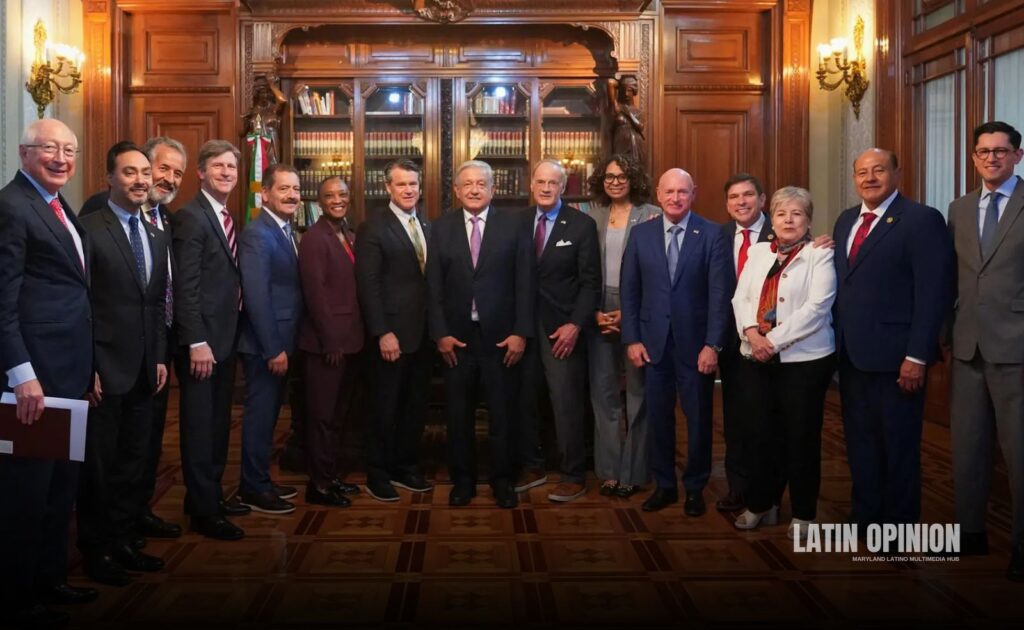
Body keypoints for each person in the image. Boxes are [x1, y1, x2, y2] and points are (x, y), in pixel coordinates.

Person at [0, 119, 97, 627]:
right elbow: (3, 299)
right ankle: (17, 595)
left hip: (70, 372)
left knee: (61, 487)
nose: (61, 158)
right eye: (50, 149)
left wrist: (91, 368)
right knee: (25, 493)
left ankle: (51, 578)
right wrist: (21, 374)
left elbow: (75, 292)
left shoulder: (60, 208)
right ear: (24, 152)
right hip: (34, 381)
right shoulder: (12, 207)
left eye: (69, 150)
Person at [832, 148, 952, 529]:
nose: (869, 178)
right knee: (861, 443)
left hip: (897, 359)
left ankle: (899, 524)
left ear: (896, 173)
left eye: (878, 170)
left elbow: (933, 293)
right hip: (851, 356)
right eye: (862, 172)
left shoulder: (921, 220)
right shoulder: (845, 221)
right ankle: (866, 516)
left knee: (898, 446)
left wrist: (917, 355)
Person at [77, 141, 171, 585]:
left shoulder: (155, 231)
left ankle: (123, 541)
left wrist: (158, 357)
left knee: (134, 462)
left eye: (145, 173)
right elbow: (83, 303)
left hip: (144, 369)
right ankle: (97, 552)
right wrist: (89, 364)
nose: (140, 181)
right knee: (100, 467)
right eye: (129, 173)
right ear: (110, 178)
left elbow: (153, 304)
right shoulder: (90, 229)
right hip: (103, 370)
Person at [620, 168, 732, 517]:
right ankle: (665, 485)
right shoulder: (640, 235)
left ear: (693, 193)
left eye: (682, 191)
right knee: (657, 418)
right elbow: (630, 291)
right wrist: (632, 339)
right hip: (653, 345)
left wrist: (713, 344)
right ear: (658, 193)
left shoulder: (712, 234)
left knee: (698, 419)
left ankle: (695, 487)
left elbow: (719, 294)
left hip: (696, 346)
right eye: (669, 191)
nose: (675, 198)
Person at [730, 187, 836, 539]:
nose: (788, 220)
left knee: (801, 437)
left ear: (808, 220)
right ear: (771, 219)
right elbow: (741, 296)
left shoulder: (819, 254)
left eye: (797, 214)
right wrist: (751, 333)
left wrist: (771, 342)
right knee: (760, 435)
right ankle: (763, 504)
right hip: (756, 357)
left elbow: (817, 309)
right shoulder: (760, 252)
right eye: (781, 214)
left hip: (804, 362)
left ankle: (804, 512)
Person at [427, 160, 534, 508]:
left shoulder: (514, 225)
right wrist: (440, 333)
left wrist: (521, 332)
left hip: (502, 339)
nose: (474, 189)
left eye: (481, 183)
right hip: (457, 340)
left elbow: (525, 282)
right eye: (467, 184)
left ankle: (502, 480)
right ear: (456, 191)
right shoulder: (440, 228)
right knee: (458, 416)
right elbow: (433, 288)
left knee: (503, 414)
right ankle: (463, 481)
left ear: (492, 189)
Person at [948, 120, 1024, 580]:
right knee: (968, 446)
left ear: (1017, 155)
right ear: (973, 157)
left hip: (1016, 347)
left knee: (1019, 453)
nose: (991, 158)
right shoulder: (958, 208)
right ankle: (969, 532)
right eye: (983, 151)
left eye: (1000, 151)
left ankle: (1021, 544)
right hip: (966, 344)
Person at [172, 139, 248, 540]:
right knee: (201, 428)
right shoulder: (191, 216)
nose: (226, 173)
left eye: (231, 168)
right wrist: (196, 341)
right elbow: (186, 287)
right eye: (218, 167)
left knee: (219, 424)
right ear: (200, 172)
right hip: (203, 345)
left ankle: (209, 496)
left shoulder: (223, 215)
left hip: (225, 339)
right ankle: (203, 511)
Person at [517, 159, 601, 503]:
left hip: (562, 329)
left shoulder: (580, 225)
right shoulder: (517, 223)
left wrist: (575, 325)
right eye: (540, 182)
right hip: (522, 327)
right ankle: (533, 466)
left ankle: (572, 474)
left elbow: (590, 282)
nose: (546, 188)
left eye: (553, 182)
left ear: (564, 187)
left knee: (566, 403)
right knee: (525, 400)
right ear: (531, 185)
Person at [356, 159, 434, 502]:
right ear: (387, 187)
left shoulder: (427, 225)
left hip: (423, 335)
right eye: (401, 185)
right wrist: (382, 332)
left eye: (413, 184)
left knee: (414, 407)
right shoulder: (373, 227)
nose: (408, 190)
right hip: (390, 337)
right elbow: (368, 285)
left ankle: (405, 466)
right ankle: (378, 473)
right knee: (383, 408)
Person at [584, 154, 659, 498]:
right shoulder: (589, 215)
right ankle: (610, 470)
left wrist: (629, 315)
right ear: (602, 180)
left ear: (634, 179)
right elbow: (581, 271)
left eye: (622, 176)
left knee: (638, 394)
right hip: (598, 309)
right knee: (604, 394)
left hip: (638, 310)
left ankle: (635, 470)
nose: (615, 182)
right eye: (609, 176)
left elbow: (658, 277)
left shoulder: (652, 214)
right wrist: (595, 312)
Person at [236, 163, 305, 514]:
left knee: (270, 416)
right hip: (267, 346)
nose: (292, 195)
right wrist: (273, 347)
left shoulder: (283, 229)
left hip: (281, 341)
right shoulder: (257, 233)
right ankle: (253, 487)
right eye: (284, 189)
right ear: (265, 194)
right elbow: (256, 295)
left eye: (296, 189)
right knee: (260, 417)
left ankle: (261, 477)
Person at [297, 176, 364, 507]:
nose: (337, 199)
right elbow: (315, 295)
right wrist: (330, 341)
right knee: (321, 418)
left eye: (342, 194)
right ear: (318, 202)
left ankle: (331, 476)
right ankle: (319, 485)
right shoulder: (313, 238)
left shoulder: (348, 235)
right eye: (329, 196)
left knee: (337, 418)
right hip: (327, 346)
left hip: (350, 343)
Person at [136, 136, 188, 542]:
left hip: (161, 343)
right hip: (125, 350)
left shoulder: (167, 219)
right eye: (163, 168)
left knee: (151, 438)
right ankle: (115, 529)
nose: (169, 179)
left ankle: (140, 512)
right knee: (124, 445)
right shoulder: (106, 212)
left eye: (177, 173)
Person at [715, 173, 775, 513]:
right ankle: (738, 489)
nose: (741, 202)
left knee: (768, 423)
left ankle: (766, 495)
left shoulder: (782, 230)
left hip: (774, 345)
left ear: (762, 199)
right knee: (736, 421)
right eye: (734, 197)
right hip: (731, 343)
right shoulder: (718, 236)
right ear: (727, 204)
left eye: (748, 195)